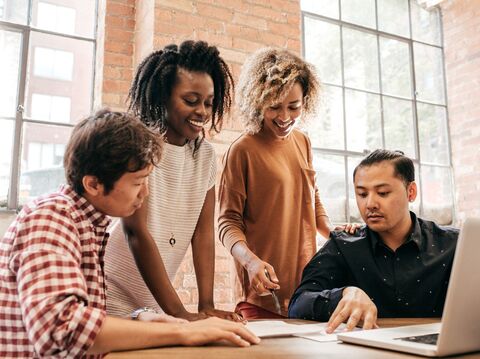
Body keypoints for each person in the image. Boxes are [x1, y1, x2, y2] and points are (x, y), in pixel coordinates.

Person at [0, 110, 259, 358]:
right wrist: (183, 330)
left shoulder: (88, 224)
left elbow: (81, 319)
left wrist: (139, 317)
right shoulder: (50, 219)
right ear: (93, 184)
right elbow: (61, 331)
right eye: (137, 182)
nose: (145, 193)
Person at [104, 40, 241, 322]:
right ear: (163, 96)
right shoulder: (139, 146)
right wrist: (178, 311)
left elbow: (203, 235)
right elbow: (136, 234)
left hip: (152, 305)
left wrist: (206, 305)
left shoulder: (204, 156)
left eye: (208, 103)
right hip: (110, 293)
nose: (202, 111)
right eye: (190, 101)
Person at [217, 48, 336, 319]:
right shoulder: (242, 150)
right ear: (258, 102)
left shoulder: (303, 142)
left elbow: (311, 196)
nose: (284, 117)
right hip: (260, 297)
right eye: (274, 107)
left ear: (306, 100)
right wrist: (250, 262)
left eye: (294, 107)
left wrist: (334, 233)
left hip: (306, 291)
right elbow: (227, 223)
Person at [289, 149, 459, 333]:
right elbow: (298, 303)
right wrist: (343, 294)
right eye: (362, 194)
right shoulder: (343, 246)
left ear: (411, 192)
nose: (370, 204)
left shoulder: (454, 245)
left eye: (383, 193)